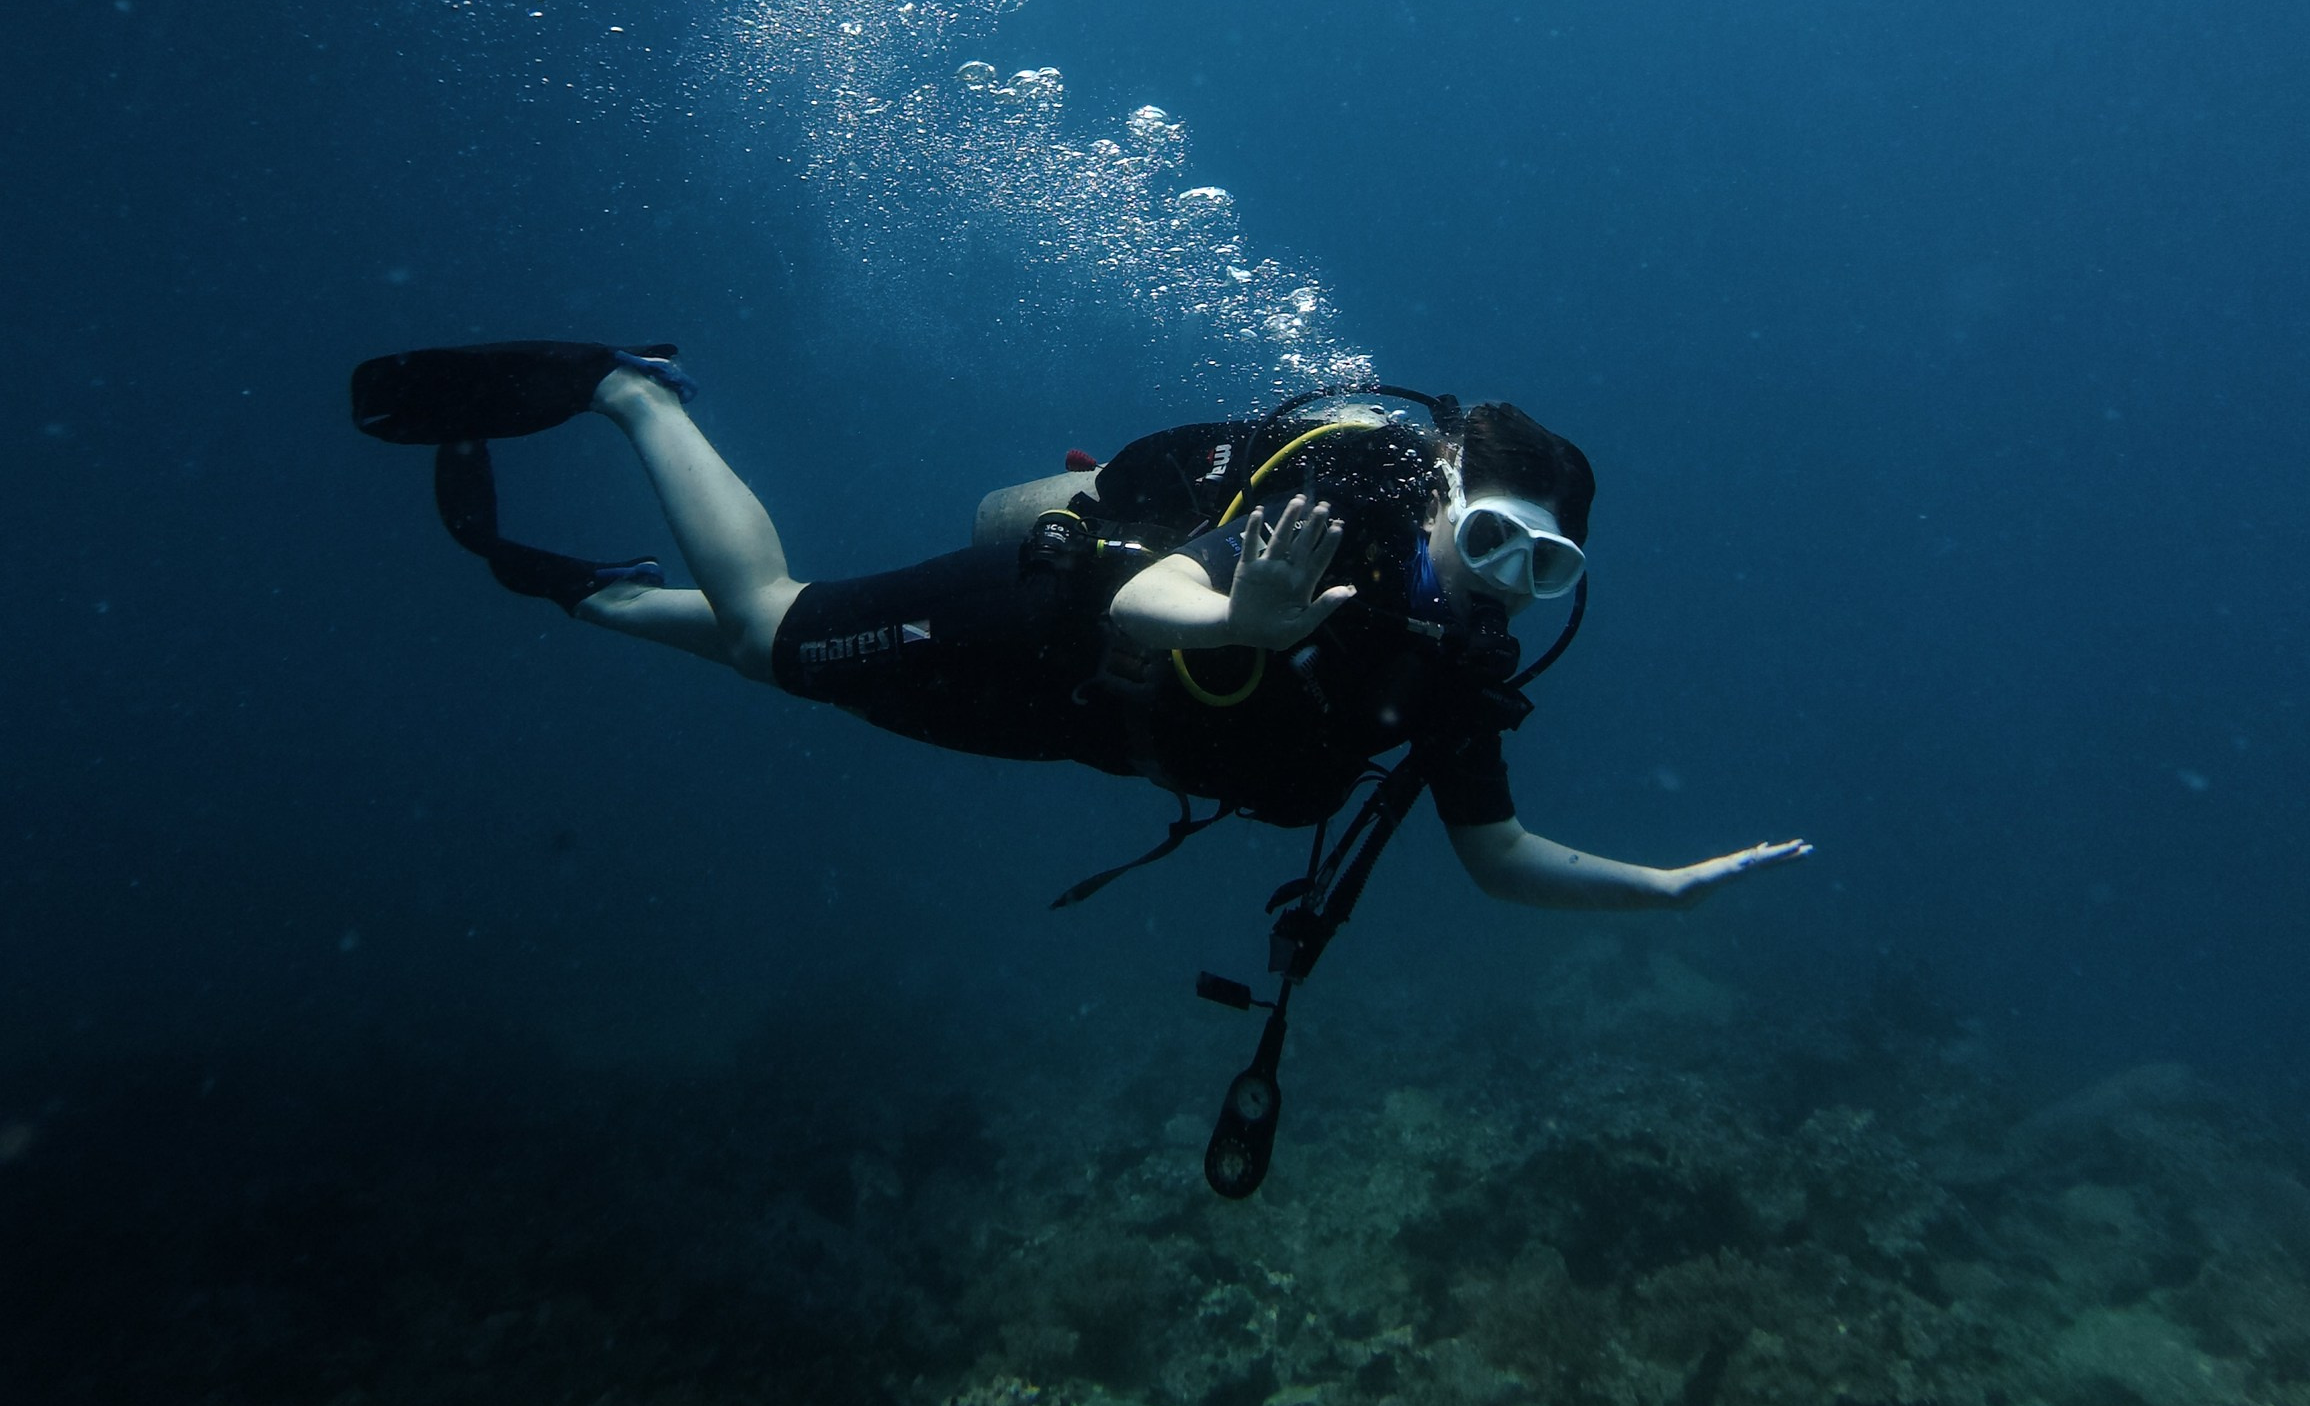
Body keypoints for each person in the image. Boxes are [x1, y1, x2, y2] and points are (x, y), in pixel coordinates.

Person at [350, 340, 1808, 934]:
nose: (1499, 583)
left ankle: (595, 592)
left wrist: (1660, 891)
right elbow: (1145, 601)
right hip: (1056, 621)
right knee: (773, 628)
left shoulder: (1464, 661)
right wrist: (1244, 610)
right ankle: (632, 392)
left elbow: (1496, 859)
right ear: (1439, 495)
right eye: (1487, 536)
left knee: (758, 659)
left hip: (1084, 726)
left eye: (1539, 568)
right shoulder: (1350, 499)